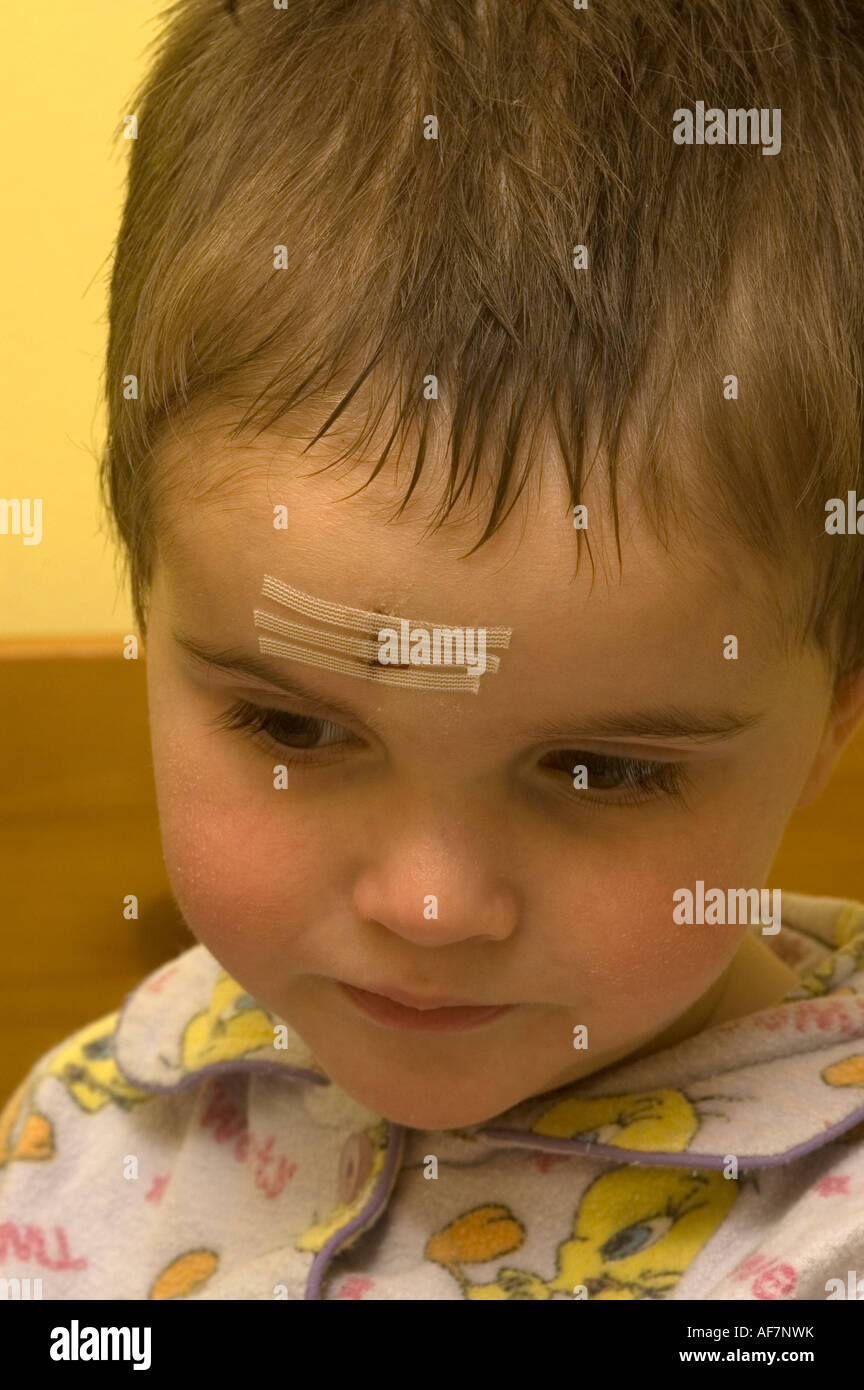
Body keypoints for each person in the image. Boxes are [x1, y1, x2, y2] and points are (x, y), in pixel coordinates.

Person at [2, 0, 864, 1301]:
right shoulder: (94, 1121)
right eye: (295, 728)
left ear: (838, 716)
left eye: (601, 769)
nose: (429, 904)